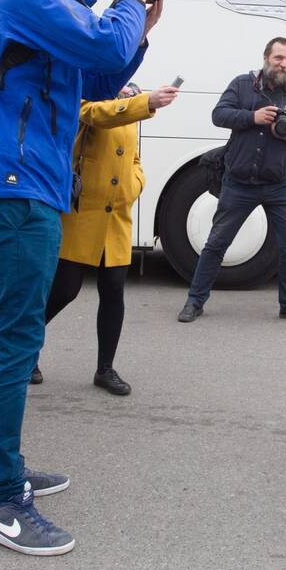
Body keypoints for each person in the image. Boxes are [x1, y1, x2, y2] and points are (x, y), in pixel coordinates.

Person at [0, 0, 170, 556]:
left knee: (17, 332)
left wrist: (140, 29)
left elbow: (96, 74)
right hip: (13, 186)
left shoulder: (47, 1)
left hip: (28, 184)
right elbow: (99, 44)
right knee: (15, 339)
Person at [30, 81, 178, 392]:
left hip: (117, 214)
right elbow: (97, 115)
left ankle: (105, 369)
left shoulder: (130, 93)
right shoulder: (84, 88)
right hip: (83, 210)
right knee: (64, 290)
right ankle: (24, 350)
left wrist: (133, 184)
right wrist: (146, 102)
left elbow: (133, 158)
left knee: (113, 292)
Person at [177, 37, 286, 324]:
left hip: (279, 186)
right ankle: (195, 302)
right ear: (266, 58)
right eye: (278, 58)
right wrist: (252, 117)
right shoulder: (242, 85)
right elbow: (219, 115)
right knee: (217, 243)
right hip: (239, 182)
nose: (283, 64)